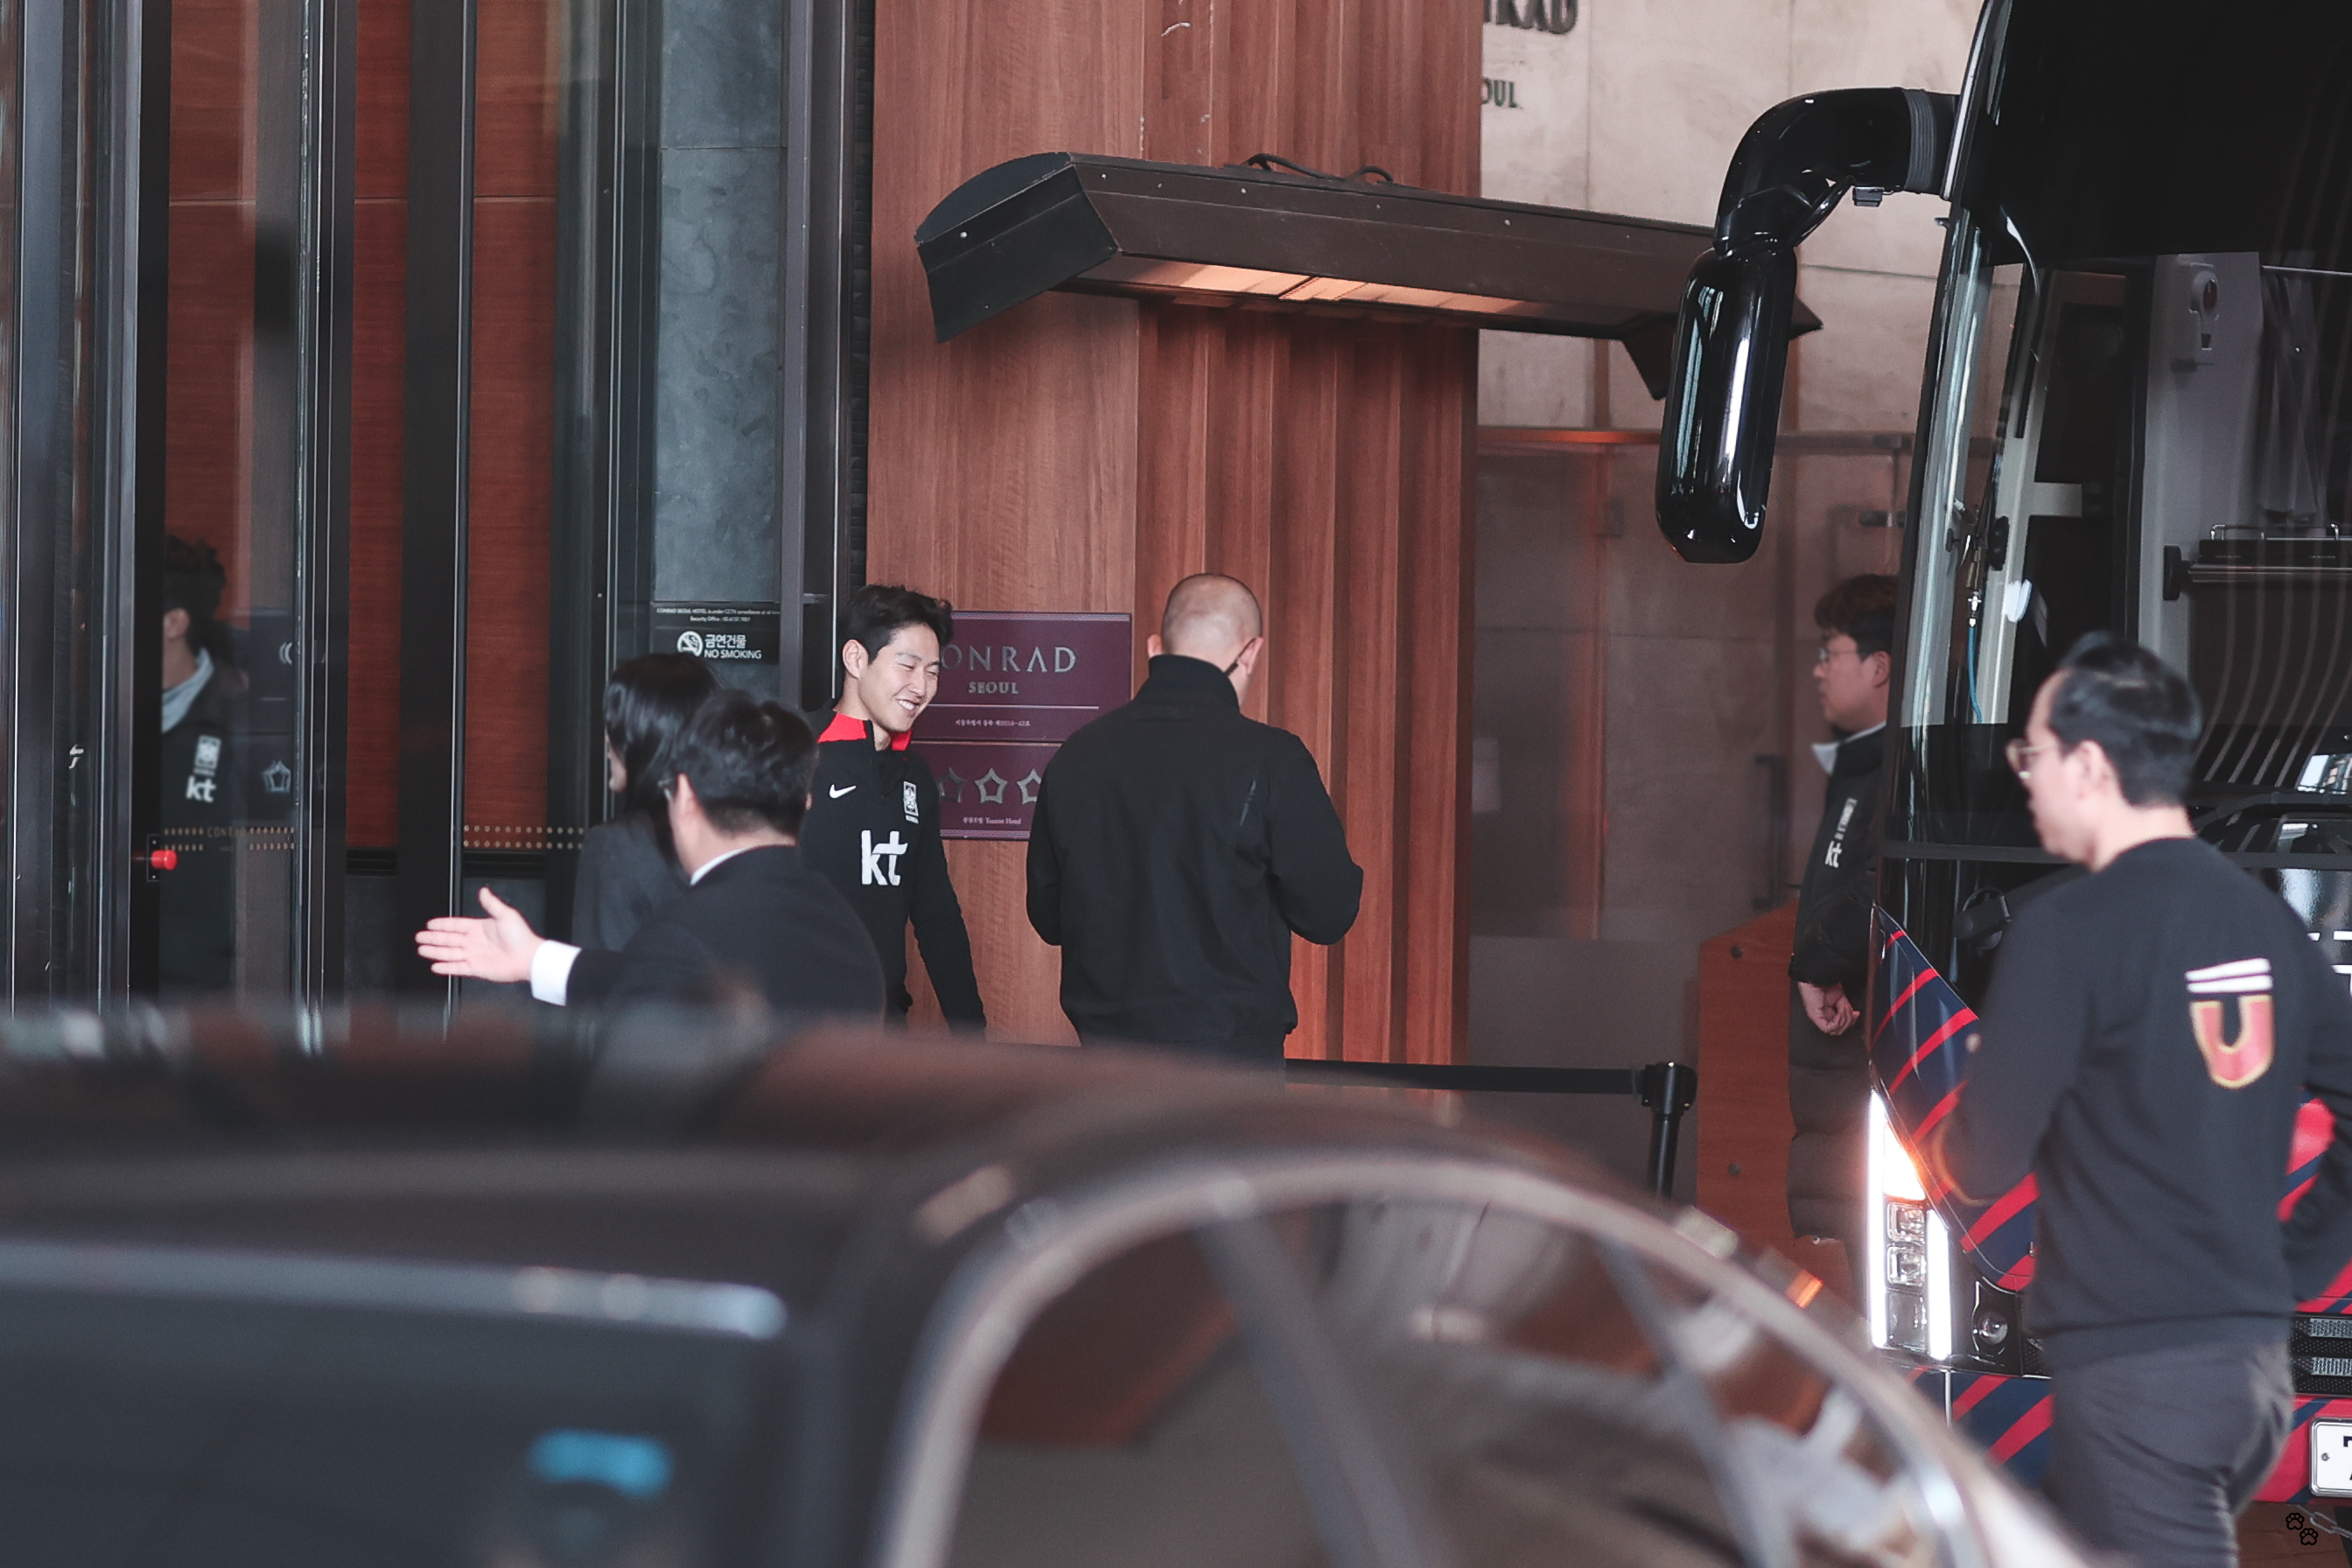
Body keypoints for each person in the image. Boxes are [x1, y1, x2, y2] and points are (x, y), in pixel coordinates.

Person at [1923, 634, 2352, 1568]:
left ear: (2088, 765)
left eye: (2032, 753)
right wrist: (2296, 1266)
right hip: (2247, 1374)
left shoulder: (2066, 930)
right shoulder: (2265, 921)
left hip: (2138, 1377)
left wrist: (1978, 1101)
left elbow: (1983, 1162)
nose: (2025, 778)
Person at [1026, 572, 1362, 1060]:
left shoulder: (1077, 755)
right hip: (1229, 1063)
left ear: (1155, 648)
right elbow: (1329, 914)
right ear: (1252, 652)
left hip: (1103, 1062)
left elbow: (1048, 917)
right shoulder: (1271, 759)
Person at [415, 691, 885, 1014]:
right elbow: (677, 980)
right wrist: (535, 959)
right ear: (803, 805)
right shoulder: (849, 935)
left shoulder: (684, 936)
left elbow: (671, 981)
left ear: (685, 800)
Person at [801, 584, 986, 1032]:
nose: (921, 687)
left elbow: (936, 915)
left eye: (933, 672)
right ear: (856, 659)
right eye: (907, 665)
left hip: (885, 1029)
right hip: (799, 1031)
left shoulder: (914, 776)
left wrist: (973, 1035)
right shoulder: (792, 755)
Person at [1786, 574, 1895, 1261]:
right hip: (1838, 1080)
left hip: (1867, 1075)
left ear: (1879, 666)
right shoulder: (1859, 763)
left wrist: (1816, 963)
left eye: (1832, 652)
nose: (1819, 669)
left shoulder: (1899, 765)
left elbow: (1880, 886)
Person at [572, 653, 720, 950]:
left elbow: (598, 972)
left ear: (648, 735)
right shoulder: (734, 830)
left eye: (616, 724)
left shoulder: (615, 847)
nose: (607, 740)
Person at [159, 534, 249, 996]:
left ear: (174, 622)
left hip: (197, 974)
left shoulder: (241, 713)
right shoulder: (85, 712)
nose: (88, 625)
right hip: (96, 959)